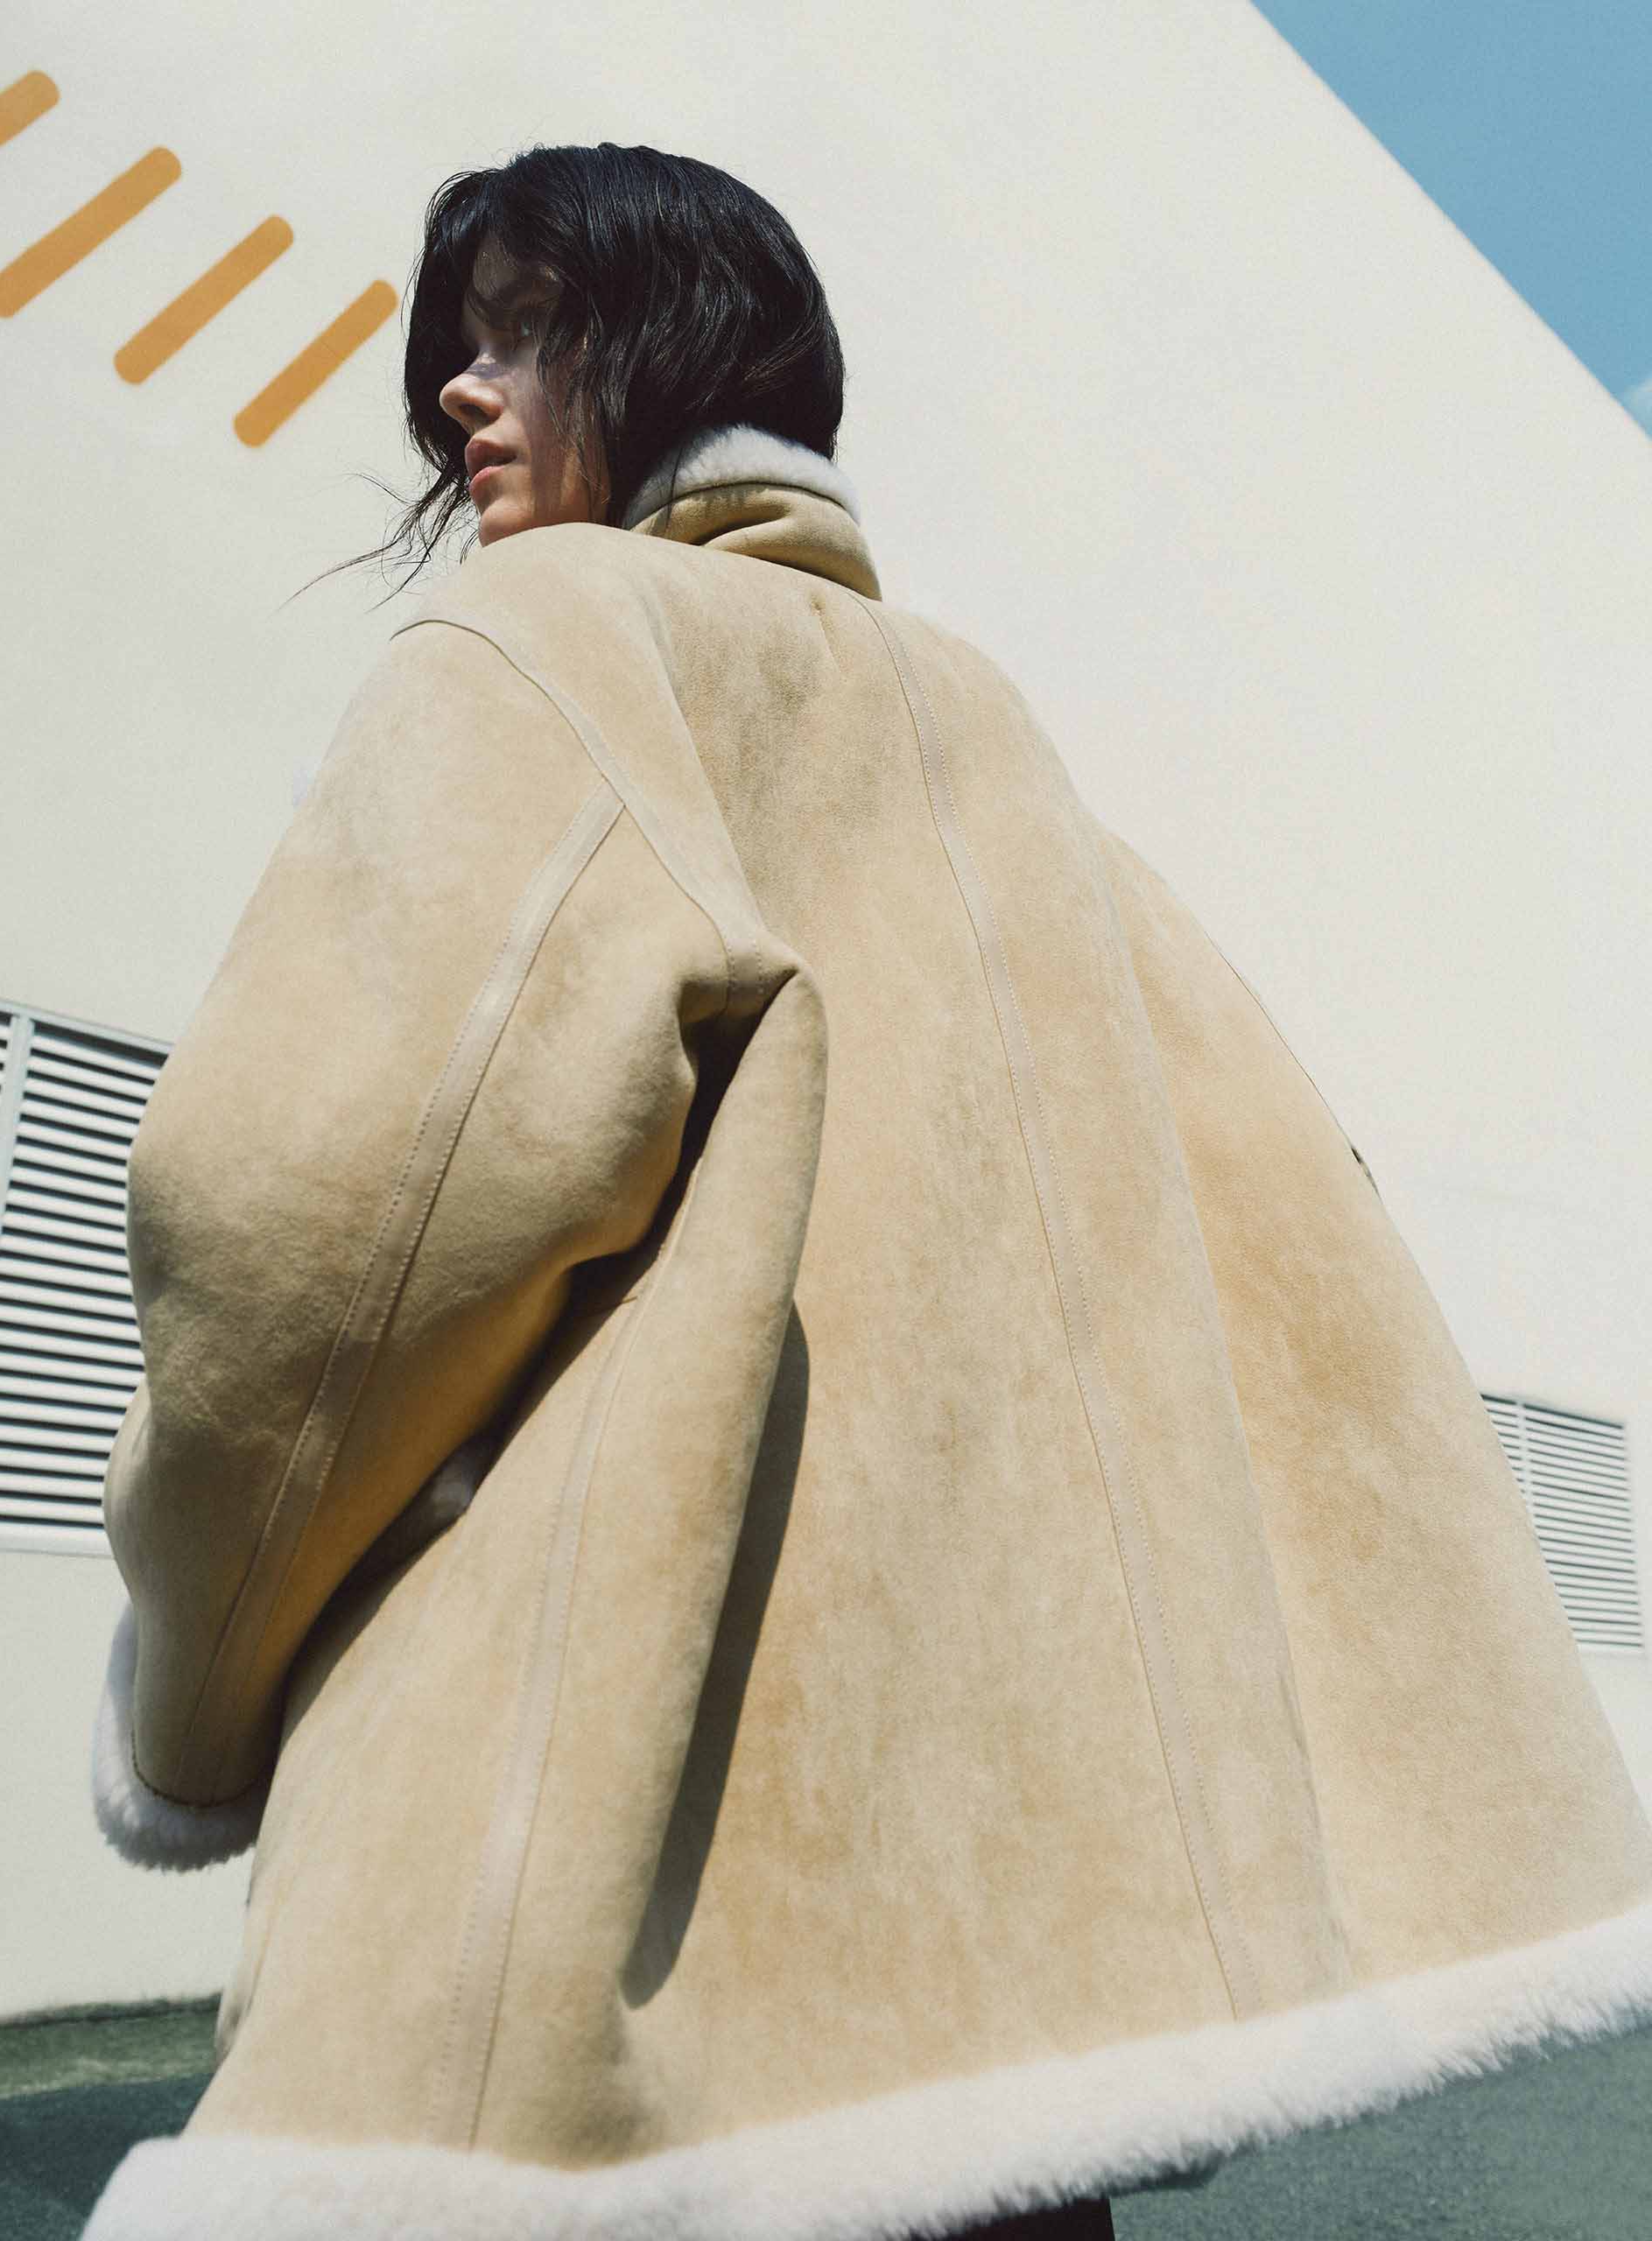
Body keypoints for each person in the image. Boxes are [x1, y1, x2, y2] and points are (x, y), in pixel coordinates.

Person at [83, 143, 1652, 2241]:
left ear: (679, 348)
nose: (463, 392)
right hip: (1001, 2041)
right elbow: (1297, 1237)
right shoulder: (990, 741)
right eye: (463, 347)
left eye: (528, 333)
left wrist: (186, 1703)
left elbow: (318, 1234)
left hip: (598, 1981)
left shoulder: (555, 635)